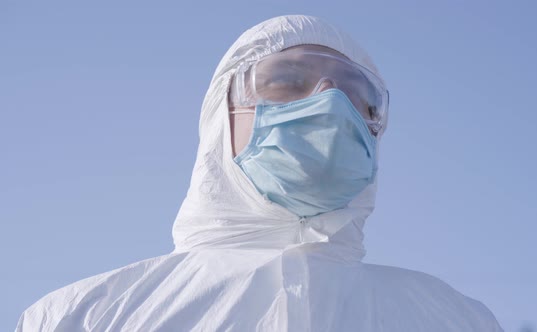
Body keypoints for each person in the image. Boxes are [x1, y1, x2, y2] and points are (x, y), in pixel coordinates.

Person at [17, 15, 503, 331]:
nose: (330, 105)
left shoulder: (454, 318)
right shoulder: (82, 316)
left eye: (358, 98)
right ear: (219, 120)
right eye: (288, 82)